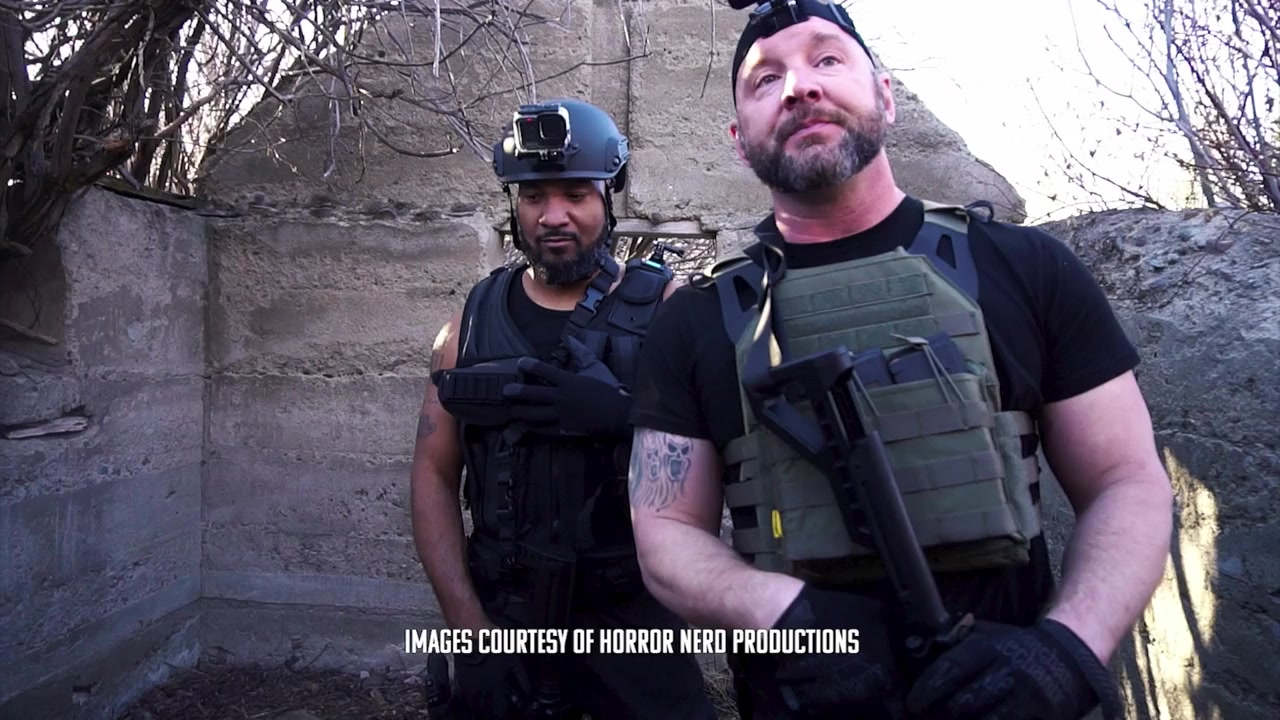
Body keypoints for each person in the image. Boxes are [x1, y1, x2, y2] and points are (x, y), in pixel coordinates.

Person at [625, 2, 1174, 719]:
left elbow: (1126, 480)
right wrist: (781, 613)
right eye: (764, 80)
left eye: (827, 59)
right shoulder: (694, 320)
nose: (799, 87)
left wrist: (1068, 649)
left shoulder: (1026, 267)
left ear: (885, 95)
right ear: (738, 139)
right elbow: (665, 531)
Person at [409, 98, 716, 720]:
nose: (553, 216)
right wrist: (470, 635)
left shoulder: (671, 310)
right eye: (533, 196)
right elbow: (433, 476)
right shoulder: (470, 322)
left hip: (633, 627)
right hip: (505, 617)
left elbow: (717, 477)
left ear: (608, 196)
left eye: (576, 194)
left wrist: (627, 422)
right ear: (514, 205)